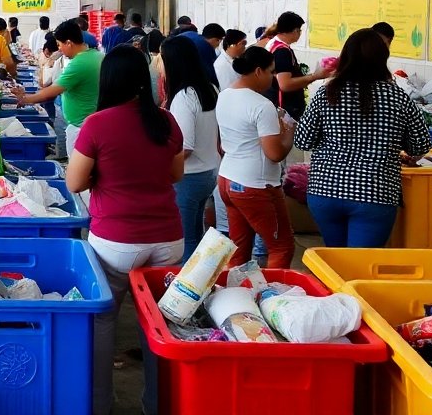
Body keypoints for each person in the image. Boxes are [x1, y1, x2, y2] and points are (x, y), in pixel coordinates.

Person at [66, 46, 184, 415]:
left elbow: (74, 183)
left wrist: (105, 177)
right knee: (159, 324)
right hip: (168, 239)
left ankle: (99, 404)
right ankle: (157, 403)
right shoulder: (166, 121)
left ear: (109, 81)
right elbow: (175, 174)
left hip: (116, 241)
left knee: (104, 320)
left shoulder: (97, 124)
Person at [295, 30, 430, 247]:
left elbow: (303, 140)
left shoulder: (327, 93)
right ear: (383, 58)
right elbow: (420, 145)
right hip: (375, 193)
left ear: (345, 57)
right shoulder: (398, 98)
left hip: (326, 190)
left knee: (334, 259)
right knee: (361, 262)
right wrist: (394, 142)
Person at [216, 46, 296, 269]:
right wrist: (289, 133)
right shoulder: (262, 105)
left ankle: (235, 289)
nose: (273, 78)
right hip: (256, 185)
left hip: (227, 179)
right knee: (281, 246)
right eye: (271, 72)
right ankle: (274, 290)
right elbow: (275, 153)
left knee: (239, 248)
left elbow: (223, 142)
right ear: (259, 71)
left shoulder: (224, 95)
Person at [163, 36, 222, 262]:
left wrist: (161, 167)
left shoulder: (184, 97)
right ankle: (200, 280)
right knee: (196, 235)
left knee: (185, 240)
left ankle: (187, 283)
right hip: (208, 172)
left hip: (189, 177)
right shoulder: (210, 89)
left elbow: (185, 146)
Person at [17, 20, 103, 151]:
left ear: (68, 43)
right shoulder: (98, 56)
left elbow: (52, 91)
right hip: (94, 123)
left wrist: (25, 99)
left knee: (77, 164)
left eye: (59, 44)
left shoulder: (79, 64)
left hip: (81, 127)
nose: (59, 49)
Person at [265, 12, 328, 120]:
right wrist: (315, 76)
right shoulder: (282, 52)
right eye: (300, 31)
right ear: (295, 31)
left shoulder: (272, 43)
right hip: (286, 108)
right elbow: (285, 84)